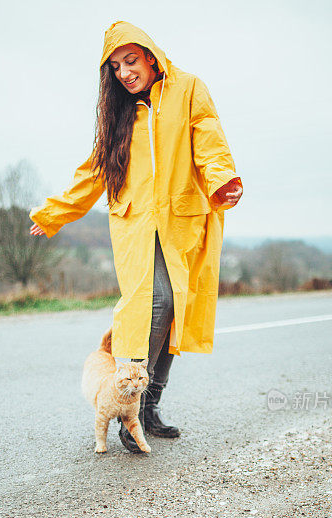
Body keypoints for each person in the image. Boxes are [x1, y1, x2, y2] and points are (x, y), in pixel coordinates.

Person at [30, 20, 242, 453]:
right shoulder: (118, 113)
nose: (125, 72)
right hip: (135, 222)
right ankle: (129, 408)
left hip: (182, 216)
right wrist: (55, 213)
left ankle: (147, 408)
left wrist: (222, 177)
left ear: (150, 55)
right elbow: (94, 170)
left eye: (131, 61)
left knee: (173, 310)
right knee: (156, 302)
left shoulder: (188, 89)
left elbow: (208, 136)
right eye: (116, 67)